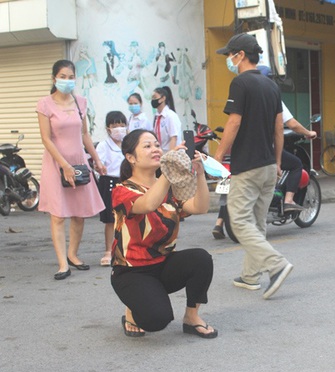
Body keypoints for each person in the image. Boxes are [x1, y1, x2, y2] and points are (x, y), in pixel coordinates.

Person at [110, 129, 216, 338]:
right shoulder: (122, 191)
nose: (156, 149)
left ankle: (191, 317)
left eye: (157, 145)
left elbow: (200, 207)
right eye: (147, 146)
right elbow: (149, 203)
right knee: (157, 320)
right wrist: (169, 171)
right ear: (130, 157)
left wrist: (200, 172)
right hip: (131, 271)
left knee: (201, 259)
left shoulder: (169, 187)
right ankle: (132, 310)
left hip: (163, 265)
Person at [214, 33, 293, 299]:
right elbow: (278, 128)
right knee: (257, 223)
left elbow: (233, 123)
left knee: (239, 221)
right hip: (269, 165)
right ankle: (250, 277)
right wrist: (279, 161)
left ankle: (276, 264)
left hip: (247, 166)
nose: (228, 59)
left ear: (240, 55)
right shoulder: (271, 86)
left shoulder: (240, 83)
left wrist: (218, 155)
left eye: (230, 54)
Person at [36, 59, 107, 280]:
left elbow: (85, 135)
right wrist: (64, 166)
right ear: (54, 78)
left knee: (79, 213)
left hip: (78, 162)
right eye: (63, 77)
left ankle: (73, 255)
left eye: (70, 77)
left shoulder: (80, 102)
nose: (67, 81)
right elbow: (46, 139)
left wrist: (96, 159)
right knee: (58, 215)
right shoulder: (45, 104)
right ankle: (62, 264)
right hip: (56, 164)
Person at [211, 100, 314, 239]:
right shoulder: (273, 99)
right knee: (296, 164)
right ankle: (289, 200)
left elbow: (233, 123)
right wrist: (309, 132)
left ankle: (219, 222)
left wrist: (218, 155)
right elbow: (290, 125)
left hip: (241, 151)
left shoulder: (244, 102)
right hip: (264, 150)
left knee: (232, 182)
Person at [95, 111, 127, 266]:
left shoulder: (128, 144)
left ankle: (124, 248)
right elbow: (98, 164)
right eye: (115, 126)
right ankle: (108, 250)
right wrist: (99, 166)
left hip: (125, 182)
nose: (119, 129)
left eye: (122, 125)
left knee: (126, 218)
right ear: (108, 128)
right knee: (110, 219)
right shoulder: (104, 145)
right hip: (109, 182)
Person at [151, 86, 182, 152]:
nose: (153, 100)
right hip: (161, 154)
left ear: (163, 98)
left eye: (155, 97)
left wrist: (169, 156)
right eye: (152, 98)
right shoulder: (156, 117)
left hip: (173, 154)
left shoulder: (170, 116)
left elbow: (173, 138)